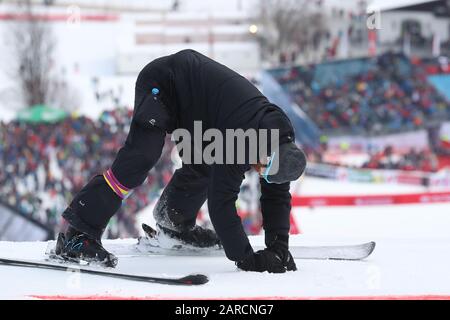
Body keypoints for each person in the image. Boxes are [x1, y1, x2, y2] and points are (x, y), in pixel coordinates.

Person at [55, 49, 306, 273]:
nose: (261, 172)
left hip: (199, 111)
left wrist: (278, 248)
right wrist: (247, 259)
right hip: (165, 83)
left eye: (268, 173)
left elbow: (277, 195)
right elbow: (221, 203)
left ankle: (175, 222)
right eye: (264, 166)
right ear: (267, 150)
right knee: (141, 156)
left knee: (205, 163)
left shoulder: (279, 145)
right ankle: (78, 234)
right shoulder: (243, 138)